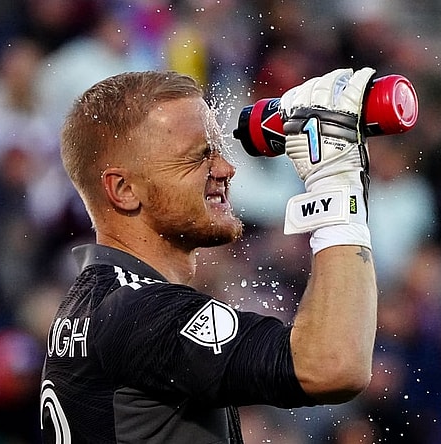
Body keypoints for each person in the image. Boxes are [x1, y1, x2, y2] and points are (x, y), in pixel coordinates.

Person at [40, 67, 380, 443]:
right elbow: (333, 366)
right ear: (123, 189)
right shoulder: (138, 311)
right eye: (197, 158)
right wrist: (336, 184)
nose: (225, 169)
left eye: (217, 150)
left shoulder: (93, 305)